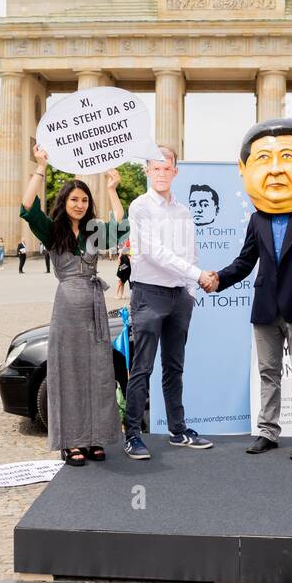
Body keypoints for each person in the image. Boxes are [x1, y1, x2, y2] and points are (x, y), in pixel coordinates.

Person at [213, 119, 292, 461]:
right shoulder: (258, 219)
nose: (276, 171)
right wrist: (218, 279)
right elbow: (244, 262)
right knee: (268, 374)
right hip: (265, 309)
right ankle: (268, 431)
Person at [19, 145, 125, 467]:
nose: (79, 205)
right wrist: (40, 167)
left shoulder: (94, 232)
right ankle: (71, 442)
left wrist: (111, 189)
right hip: (67, 308)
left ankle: (94, 438)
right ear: (64, 203)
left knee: (97, 373)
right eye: (74, 200)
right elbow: (26, 206)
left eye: (84, 200)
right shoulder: (53, 231)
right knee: (68, 373)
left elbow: (120, 222)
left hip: (94, 307)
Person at [122, 147, 215, 459]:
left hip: (179, 297)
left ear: (176, 171)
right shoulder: (140, 207)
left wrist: (191, 290)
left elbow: (191, 252)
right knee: (142, 368)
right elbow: (152, 252)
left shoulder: (184, 211)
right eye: (155, 168)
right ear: (147, 171)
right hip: (149, 294)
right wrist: (198, 275)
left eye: (167, 168)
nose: (161, 173)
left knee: (174, 367)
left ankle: (178, 430)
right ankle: (133, 434)